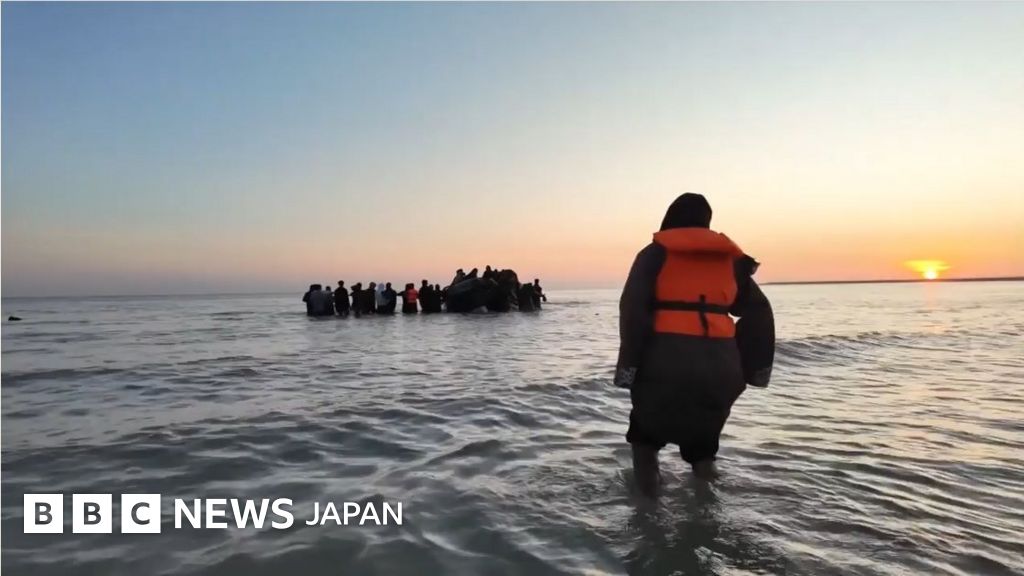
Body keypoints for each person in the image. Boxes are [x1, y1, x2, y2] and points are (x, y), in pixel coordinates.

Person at [616, 193, 775, 493]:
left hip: (664, 365)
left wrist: (628, 370)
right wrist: (751, 371)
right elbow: (760, 312)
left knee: (645, 442)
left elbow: (633, 311)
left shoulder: (654, 255)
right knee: (703, 449)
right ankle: (707, 510)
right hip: (720, 368)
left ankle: (646, 515)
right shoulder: (730, 262)